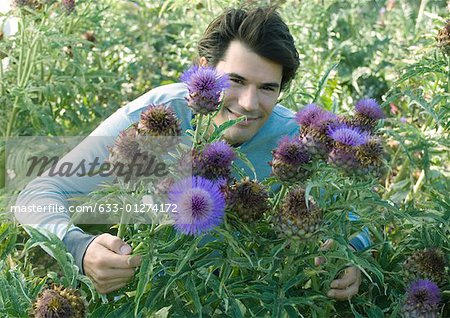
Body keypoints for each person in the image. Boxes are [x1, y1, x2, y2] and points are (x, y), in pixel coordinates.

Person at [15, 6, 369, 298]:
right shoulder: (156, 118)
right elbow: (38, 195)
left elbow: (355, 220)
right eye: (236, 80)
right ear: (203, 69)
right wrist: (79, 248)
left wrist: (351, 255)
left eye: (267, 88)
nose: (248, 104)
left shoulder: (296, 141)